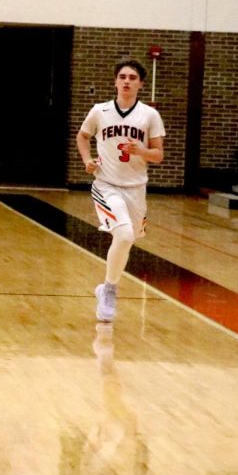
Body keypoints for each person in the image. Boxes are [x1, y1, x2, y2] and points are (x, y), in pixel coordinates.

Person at [75, 59, 165, 324]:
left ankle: (106, 286)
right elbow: (83, 136)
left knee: (129, 238)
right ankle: (110, 291)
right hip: (106, 185)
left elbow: (158, 155)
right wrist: (86, 160)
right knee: (123, 234)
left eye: (132, 77)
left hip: (136, 189)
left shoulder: (149, 115)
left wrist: (142, 151)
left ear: (141, 84)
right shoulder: (99, 111)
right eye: (123, 76)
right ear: (115, 81)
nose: (127, 81)